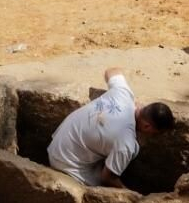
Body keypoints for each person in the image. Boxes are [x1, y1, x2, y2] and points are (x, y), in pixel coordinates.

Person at [47, 67, 175, 188]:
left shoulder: (123, 94)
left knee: (109, 157)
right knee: (102, 187)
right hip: (66, 165)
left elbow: (112, 70)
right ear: (147, 126)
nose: (154, 136)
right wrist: (129, 194)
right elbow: (107, 179)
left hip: (56, 145)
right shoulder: (126, 144)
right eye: (156, 133)